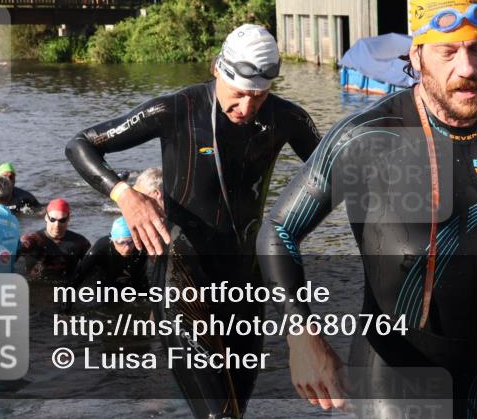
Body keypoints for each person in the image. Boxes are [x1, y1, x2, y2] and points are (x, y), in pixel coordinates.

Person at [258, 0, 477, 418]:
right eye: (448, 51)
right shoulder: (365, 138)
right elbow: (279, 230)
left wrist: (473, 261)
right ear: (417, 57)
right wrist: (301, 333)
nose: (467, 68)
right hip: (391, 373)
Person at [65, 23, 321, 418]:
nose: (247, 108)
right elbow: (80, 144)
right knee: (219, 414)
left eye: (258, 96)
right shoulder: (176, 110)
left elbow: (336, 175)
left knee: (236, 408)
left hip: (244, 281)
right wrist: (125, 195)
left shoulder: (287, 118)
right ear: (218, 69)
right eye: (238, 94)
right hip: (182, 276)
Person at [18, 199, 90, 282]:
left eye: (62, 220)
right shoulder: (32, 240)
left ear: (68, 218)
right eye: (52, 219)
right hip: (36, 286)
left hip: (66, 287)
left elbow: (93, 268)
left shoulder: (80, 242)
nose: (57, 225)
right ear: (46, 217)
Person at [72, 216, 149, 293]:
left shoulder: (141, 246)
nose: (127, 248)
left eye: (130, 242)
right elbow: (79, 275)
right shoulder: (100, 248)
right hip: (106, 281)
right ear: (112, 239)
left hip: (133, 279)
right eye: (121, 243)